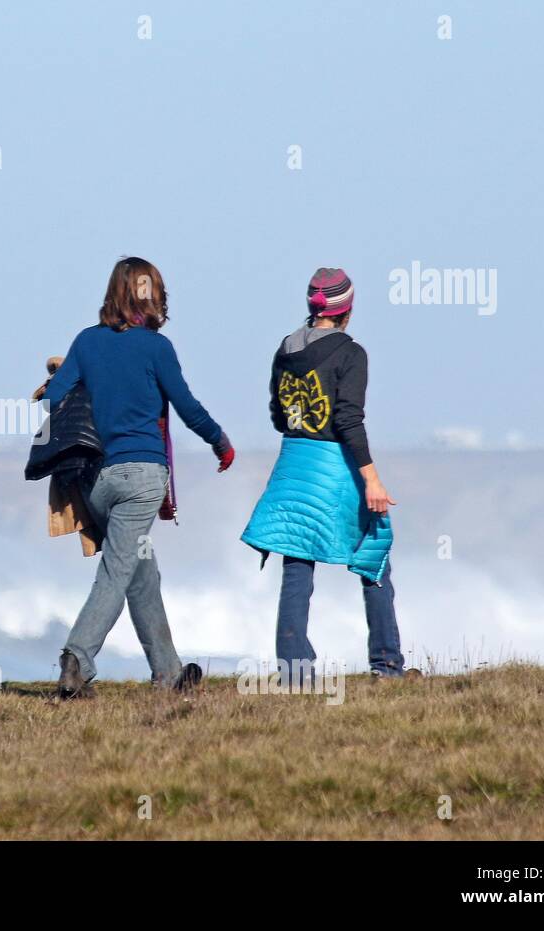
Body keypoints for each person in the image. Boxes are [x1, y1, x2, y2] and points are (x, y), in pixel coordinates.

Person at [44, 257, 234, 697]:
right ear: (151, 296)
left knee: (140, 570)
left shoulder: (86, 343)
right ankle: (77, 658)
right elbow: (187, 407)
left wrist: (65, 372)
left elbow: (54, 399)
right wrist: (220, 441)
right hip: (142, 477)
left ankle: (168, 672)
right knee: (117, 569)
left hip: (96, 482)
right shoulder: (156, 348)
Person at [241, 267, 412, 683]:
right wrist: (371, 479)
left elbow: (277, 414)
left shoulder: (285, 348)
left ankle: (295, 672)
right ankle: (387, 665)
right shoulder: (351, 354)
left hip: (293, 462)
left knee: (297, 562)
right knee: (374, 553)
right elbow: (349, 420)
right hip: (334, 465)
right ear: (346, 310)